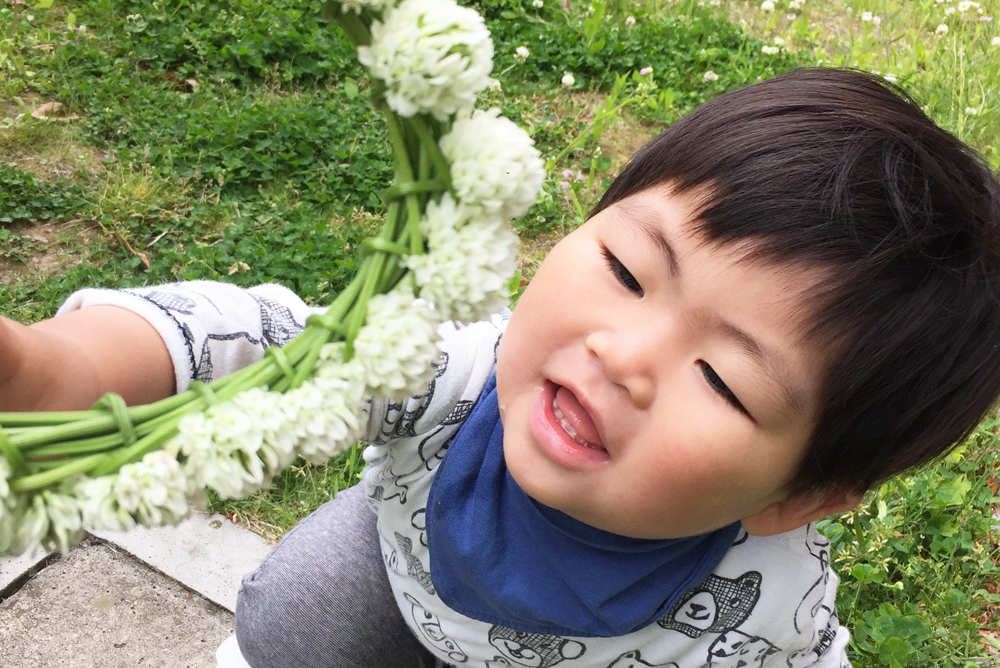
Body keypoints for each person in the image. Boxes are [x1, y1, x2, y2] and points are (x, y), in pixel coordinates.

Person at [4, 68, 1000, 668]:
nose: (624, 355)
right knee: (305, 609)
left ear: (797, 497)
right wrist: (51, 369)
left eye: (724, 381)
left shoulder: (765, 609)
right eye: (625, 268)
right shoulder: (449, 376)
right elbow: (261, 339)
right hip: (399, 571)